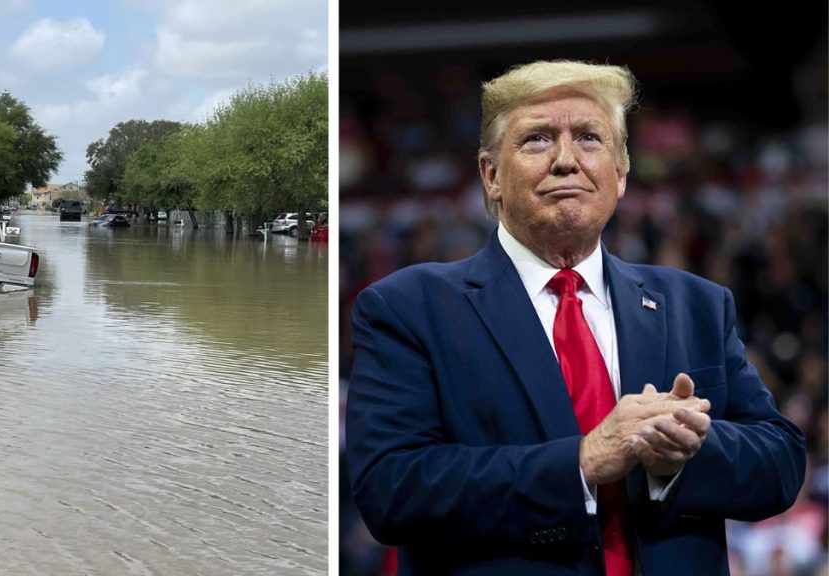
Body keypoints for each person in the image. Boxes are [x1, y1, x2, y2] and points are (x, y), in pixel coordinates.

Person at [345, 60, 806, 575]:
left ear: (621, 174)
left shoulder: (697, 304)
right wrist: (581, 462)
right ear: (491, 176)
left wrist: (683, 453)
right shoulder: (409, 308)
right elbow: (390, 489)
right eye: (537, 140)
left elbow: (781, 462)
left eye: (589, 138)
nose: (566, 160)